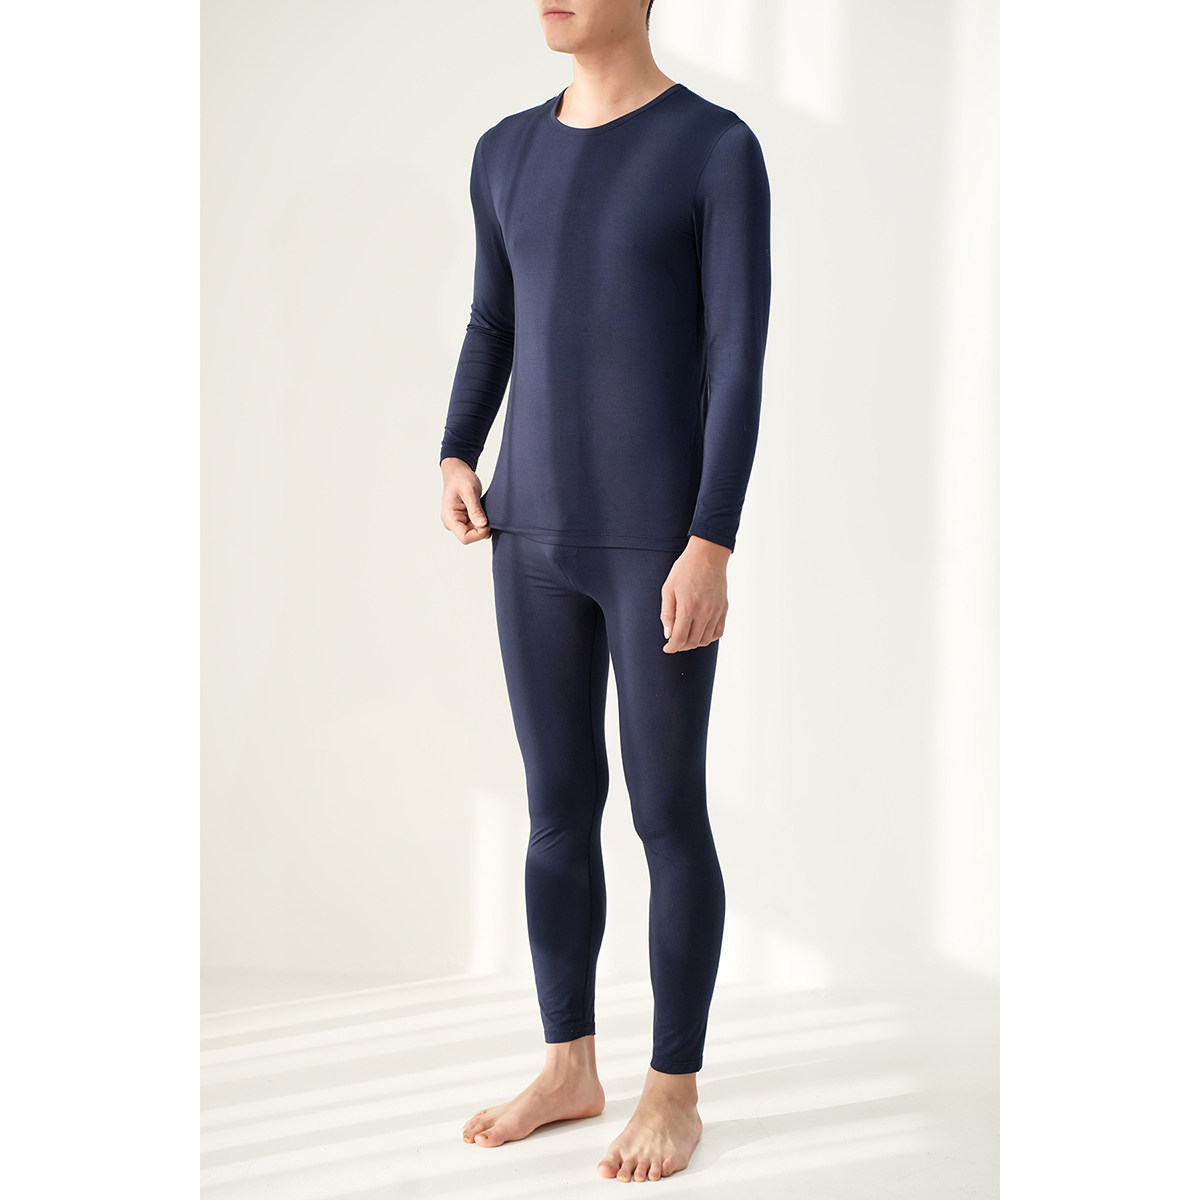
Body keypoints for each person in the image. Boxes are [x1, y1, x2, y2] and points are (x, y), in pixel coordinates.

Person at [438, 0, 770, 1183]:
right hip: (527, 533)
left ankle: (673, 1090)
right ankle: (568, 1065)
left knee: (666, 812)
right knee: (556, 807)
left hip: (654, 544)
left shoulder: (714, 148)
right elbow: (495, 318)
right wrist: (456, 448)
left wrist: (711, 541)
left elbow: (737, 357)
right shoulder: (504, 152)